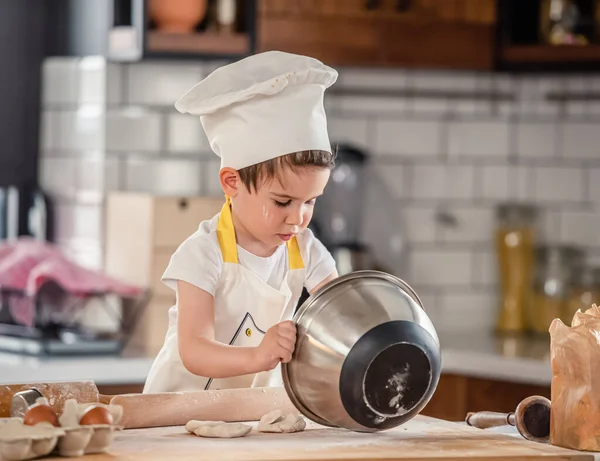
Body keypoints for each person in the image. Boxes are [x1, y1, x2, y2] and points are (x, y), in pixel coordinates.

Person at [143, 51, 340, 393]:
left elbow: (341, 310)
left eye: (310, 202)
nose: (297, 218)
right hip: (176, 417)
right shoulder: (202, 254)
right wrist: (258, 356)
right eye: (282, 201)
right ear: (232, 182)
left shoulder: (305, 249)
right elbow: (194, 351)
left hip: (248, 415)